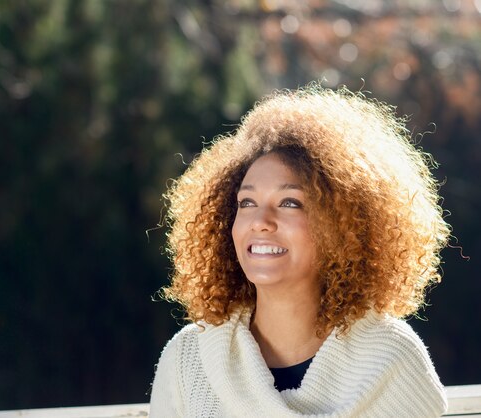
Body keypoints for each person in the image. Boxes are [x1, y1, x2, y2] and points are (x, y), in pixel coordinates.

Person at [149, 84, 450, 417]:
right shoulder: (188, 358)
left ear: (342, 226)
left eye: (289, 203)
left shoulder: (392, 360)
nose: (260, 221)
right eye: (246, 202)